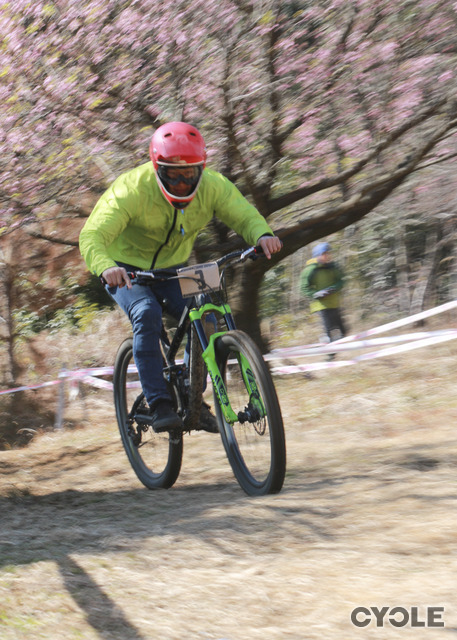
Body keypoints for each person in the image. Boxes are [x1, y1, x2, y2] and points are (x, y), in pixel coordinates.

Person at [79, 121, 282, 432]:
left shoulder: (214, 185)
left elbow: (243, 213)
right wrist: (106, 265)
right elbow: (92, 234)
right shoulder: (131, 188)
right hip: (125, 268)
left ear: (202, 168)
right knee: (146, 313)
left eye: (190, 173)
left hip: (175, 268)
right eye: (172, 174)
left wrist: (262, 235)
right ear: (156, 167)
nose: (182, 182)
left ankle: (191, 394)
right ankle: (158, 402)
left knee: (210, 311)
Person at [300, 241, 346, 358]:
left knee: (343, 331)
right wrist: (316, 294)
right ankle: (330, 357)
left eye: (329, 253)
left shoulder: (333, 267)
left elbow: (341, 280)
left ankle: (329, 344)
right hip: (321, 306)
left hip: (334, 303)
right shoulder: (310, 270)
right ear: (318, 255)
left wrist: (334, 288)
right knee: (329, 331)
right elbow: (304, 288)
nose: (328, 256)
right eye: (325, 253)